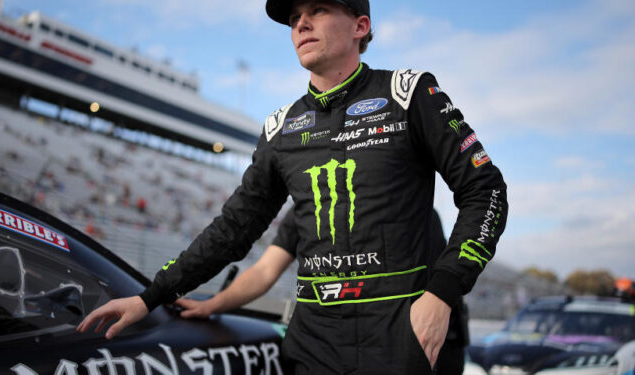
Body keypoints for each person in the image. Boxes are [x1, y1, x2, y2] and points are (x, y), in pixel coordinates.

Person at [77, 1, 508, 373]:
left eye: (318, 10)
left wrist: (442, 294)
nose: (300, 24)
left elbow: (485, 189)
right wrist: (151, 296)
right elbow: (234, 229)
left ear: (361, 26)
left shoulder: (410, 93)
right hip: (312, 344)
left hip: (398, 338)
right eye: (295, 17)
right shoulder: (282, 129)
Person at [174, 208, 470, 374]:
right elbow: (265, 271)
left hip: (433, 343)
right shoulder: (305, 204)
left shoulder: (407, 198)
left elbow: (430, 289)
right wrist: (213, 305)